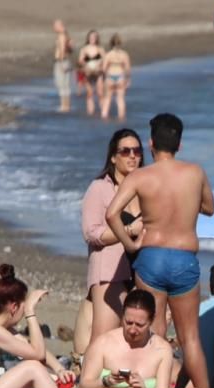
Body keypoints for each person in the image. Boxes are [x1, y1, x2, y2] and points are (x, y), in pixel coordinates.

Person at [106, 113, 214, 388]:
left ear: (151, 143)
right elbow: (210, 207)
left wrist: (130, 247)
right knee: (190, 337)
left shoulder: (141, 176)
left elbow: (111, 213)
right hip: (183, 257)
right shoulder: (195, 172)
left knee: (153, 333)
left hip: (151, 256)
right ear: (179, 144)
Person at [80, 289, 206, 388]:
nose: (132, 330)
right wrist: (105, 382)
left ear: (151, 321)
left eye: (139, 325)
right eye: (128, 322)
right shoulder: (104, 343)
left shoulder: (162, 348)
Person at [76, 129, 145, 356]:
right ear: (113, 157)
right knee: (104, 340)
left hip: (142, 272)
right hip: (110, 273)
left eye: (137, 151)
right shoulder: (100, 188)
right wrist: (127, 230)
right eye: (125, 151)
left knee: (134, 343)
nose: (132, 156)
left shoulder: (146, 188)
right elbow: (91, 233)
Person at [99, 34, 131, 121]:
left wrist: (102, 80)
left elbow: (104, 69)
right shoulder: (124, 54)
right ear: (120, 43)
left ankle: (104, 117)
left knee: (107, 99)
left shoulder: (109, 55)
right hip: (120, 76)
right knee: (120, 99)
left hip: (110, 77)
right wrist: (128, 80)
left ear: (111, 43)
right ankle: (121, 118)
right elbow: (127, 69)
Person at [78, 30, 105, 116]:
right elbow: (80, 61)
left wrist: (99, 65)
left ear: (97, 38)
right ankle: (90, 112)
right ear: (88, 38)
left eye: (94, 37)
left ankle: (103, 112)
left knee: (100, 93)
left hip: (98, 72)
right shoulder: (84, 49)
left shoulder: (100, 48)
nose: (92, 39)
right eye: (91, 37)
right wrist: (85, 65)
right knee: (89, 93)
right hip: (88, 71)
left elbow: (105, 59)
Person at [52, 20, 73, 113]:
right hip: (66, 61)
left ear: (60, 26)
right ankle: (66, 105)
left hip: (62, 61)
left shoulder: (62, 36)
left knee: (61, 84)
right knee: (66, 84)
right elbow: (70, 49)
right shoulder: (67, 36)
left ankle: (64, 106)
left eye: (55, 25)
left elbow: (62, 49)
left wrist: (60, 63)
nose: (53, 27)